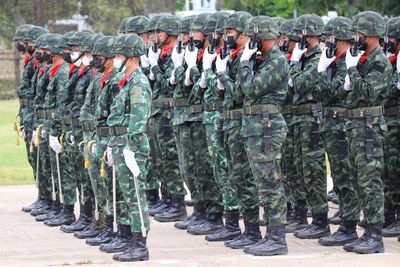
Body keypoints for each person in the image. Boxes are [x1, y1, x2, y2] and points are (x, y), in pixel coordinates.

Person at [237, 15, 289, 256]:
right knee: (262, 184)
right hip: (255, 127)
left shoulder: (276, 61)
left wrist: (245, 63)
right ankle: (269, 234)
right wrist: (245, 63)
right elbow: (240, 92)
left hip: (267, 128)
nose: (249, 41)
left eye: (253, 37)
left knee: (270, 182)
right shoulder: (260, 60)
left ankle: (277, 238)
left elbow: (252, 88)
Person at [343, 11, 392, 254]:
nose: (356, 38)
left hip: (369, 128)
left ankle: (375, 235)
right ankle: (367, 232)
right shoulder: (363, 59)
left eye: (360, 33)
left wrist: (352, 72)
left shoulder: (379, 61)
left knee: (371, 181)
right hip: (357, 127)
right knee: (359, 180)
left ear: (371, 34)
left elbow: (370, 93)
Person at [107, 34, 152, 262]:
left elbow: (139, 117)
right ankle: (132, 241)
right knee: (127, 195)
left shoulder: (138, 82)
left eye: (118, 55)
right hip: (121, 143)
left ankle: (141, 245)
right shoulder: (126, 81)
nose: (115, 59)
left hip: (131, 145)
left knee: (135, 195)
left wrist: (131, 147)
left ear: (130, 57)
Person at [316, 17, 360, 247]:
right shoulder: (334, 62)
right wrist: (322, 69)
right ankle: (345, 222)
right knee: (340, 179)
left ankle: (349, 226)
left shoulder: (348, 63)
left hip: (342, 125)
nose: (328, 43)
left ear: (342, 39)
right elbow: (318, 91)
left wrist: (322, 72)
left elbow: (332, 92)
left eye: (332, 39)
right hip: (331, 125)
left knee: (346, 178)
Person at [289, 14, 330, 239]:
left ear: (310, 35)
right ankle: (305, 216)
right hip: (299, 120)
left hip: (312, 120)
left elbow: (301, 84)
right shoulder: (304, 57)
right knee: (301, 170)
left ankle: (321, 220)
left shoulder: (317, 58)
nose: (296, 39)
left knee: (314, 171)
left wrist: (294, 64)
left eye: (300, 34)